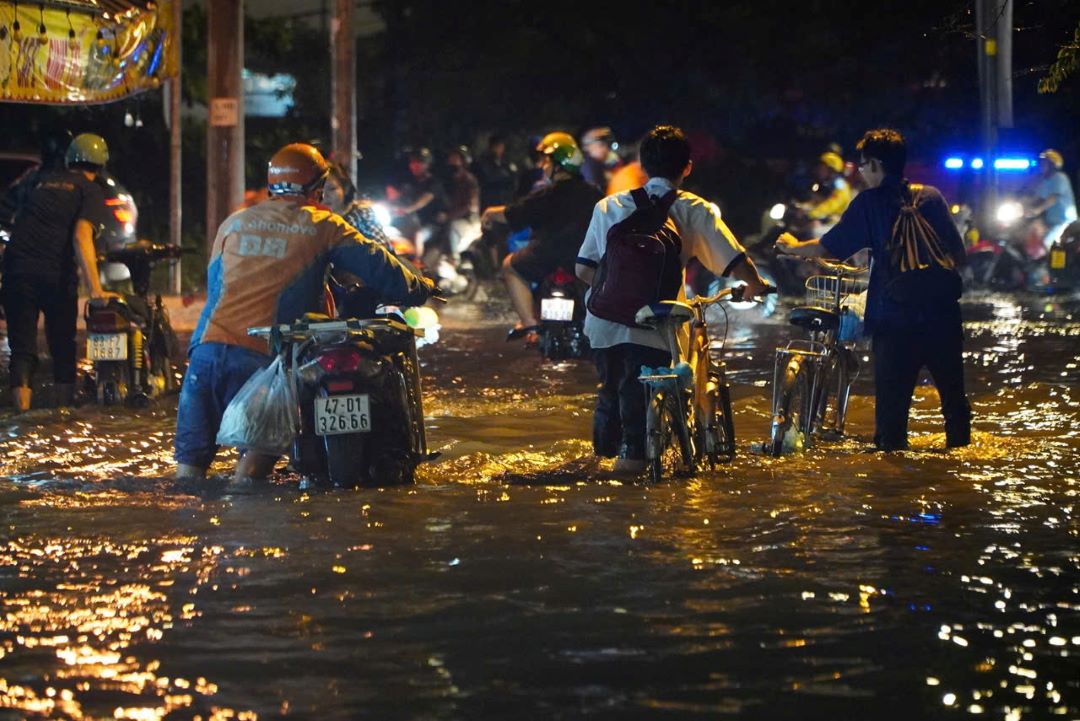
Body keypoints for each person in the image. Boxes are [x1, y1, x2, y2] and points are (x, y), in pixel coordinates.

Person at [174, 143, 435, 487]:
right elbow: (379, 266)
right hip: (263, 358)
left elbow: (217, 286)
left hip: (206, 352)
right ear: (318, 187)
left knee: (188, 473)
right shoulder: (323, 224)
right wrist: (420, 288)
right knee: (250, 476)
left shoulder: (234, 222)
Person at [576, 125, 770, 473]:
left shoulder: (608, 207)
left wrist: (616, 298)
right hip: (656, 325)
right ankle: (635, 468)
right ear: (687, 167)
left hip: (603, 325)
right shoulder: (694, 209)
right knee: (642, 402)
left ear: (643, 164)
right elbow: (735, 262)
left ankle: (601, 463)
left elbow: (583, 270)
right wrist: (755, 285)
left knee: (611, 391)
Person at [776, 127, 971, 452]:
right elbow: (959, 254)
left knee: (892, 424)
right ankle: (960, 469)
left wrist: (793, 247)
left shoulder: (869, 203)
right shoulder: (932, 197)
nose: (862, 172)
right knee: (954, 403)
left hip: (894, 321)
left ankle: (892, 489)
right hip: (944, 316)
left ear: (877, 165)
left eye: (865, 165)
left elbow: (827, 249)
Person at [0, 132, 118, 411]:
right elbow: (81, 237)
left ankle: (22, 415)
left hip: (17, 272)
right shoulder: (89, 190)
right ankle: (63, 416)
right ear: (100, 166)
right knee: (63, 345)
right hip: (55, 275)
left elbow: (10, 214)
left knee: (22, 349)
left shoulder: (40, 181)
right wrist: (95, 290)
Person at [481, 132, 602, 342]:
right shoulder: (594, 193)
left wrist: (490, 213)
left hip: (546, 256)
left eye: (546, 160)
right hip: (585, 260)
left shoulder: (547, 194)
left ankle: (530, 327)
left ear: (557, 164)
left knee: (509, 265)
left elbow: (513, 213)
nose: (543, 164)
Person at [386, 147, 447, 256]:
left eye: (419, 162)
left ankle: (417, 265)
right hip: (409, 220)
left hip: (429, 223)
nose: (415, 165)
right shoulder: (408, 180)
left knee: (417, 236)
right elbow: (396, 194)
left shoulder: (433, 183)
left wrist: (406, 210)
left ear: (427, 165)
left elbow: (421, 202)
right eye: (413, 162)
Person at [1027, 149, 1077, 250]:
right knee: (1031, 235)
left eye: (1044, 162)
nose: (1041, 165)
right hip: (1051, 221)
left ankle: (1048, 265)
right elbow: (1037, 198)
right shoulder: (1045, 181)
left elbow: (1053, 198)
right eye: (1041, 162)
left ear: (1052, 165)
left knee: (1046, 243)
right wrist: (1020, 205)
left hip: (1064, 221)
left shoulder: (1060, 178)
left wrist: (1038, 210)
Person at [805, 151, 853, 228]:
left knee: (814, 231)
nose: (818, 170)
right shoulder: (826, 184)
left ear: (831, 170)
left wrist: (811, 213)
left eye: (822, 168)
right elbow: (816, 201)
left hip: (839, 223)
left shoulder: (840, 185)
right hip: (827, 219)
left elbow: (831, 205)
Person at [472, 134, 517, 211]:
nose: (501, 149)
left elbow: (512, 177)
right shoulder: (483, 162)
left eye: (502, 146)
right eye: (499, 146)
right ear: (492, 147)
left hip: (504, 201)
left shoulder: (504, 162)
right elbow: (488, 178)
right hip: (490, 201)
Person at [580, 126, 622, 191]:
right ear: (587, 147)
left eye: (607, 144)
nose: (605, 149)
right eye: (601, 144)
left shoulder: (601, 162)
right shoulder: (589, 166)